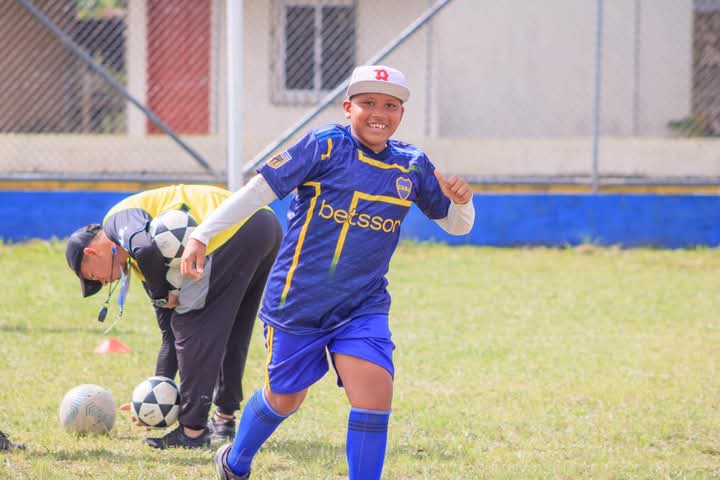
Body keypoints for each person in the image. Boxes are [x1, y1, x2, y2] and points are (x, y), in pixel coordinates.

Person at [180, 65, 475, 479]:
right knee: (285, 399)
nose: (379, 113)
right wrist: (201, 235)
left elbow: (457, 226)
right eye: (368, 102)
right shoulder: (324, 146)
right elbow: (257, 192)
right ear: (348, 107)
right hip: (297, 302)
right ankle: (234, 462)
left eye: (390, 105)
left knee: (374, 395)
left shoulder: (412, 164)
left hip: (362, 305)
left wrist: (462, 203)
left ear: (401, 114)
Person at [65, 184, 283, 449]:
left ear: (91, 253)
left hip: (232, 230)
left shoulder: (116, 220)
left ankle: (193, 432)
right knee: (232, 328)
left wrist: (160, 293)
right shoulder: (145, 267)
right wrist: (153, 397)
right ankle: (224, 419)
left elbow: (145, 249)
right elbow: (169, 336)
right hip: (263, 224)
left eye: (92, 276)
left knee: (191, 324)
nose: (101, 282)